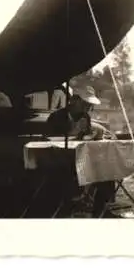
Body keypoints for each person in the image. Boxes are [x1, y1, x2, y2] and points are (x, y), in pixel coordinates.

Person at [46, 86, 117, 217]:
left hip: (81, 157)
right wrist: (75, 131)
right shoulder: (56, 117)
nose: (87, 108)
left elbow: (85, 137)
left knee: (107, 169)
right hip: (60, 159)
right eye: (85, 104)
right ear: (74, 101)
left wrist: (94, 135)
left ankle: (100, 210)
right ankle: (69, 207)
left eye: (89, 105)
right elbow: (52, 141)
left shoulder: (85, 116)